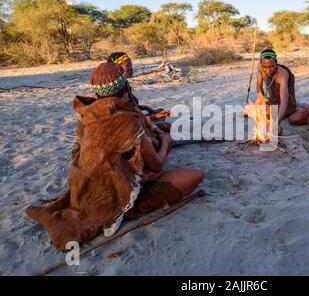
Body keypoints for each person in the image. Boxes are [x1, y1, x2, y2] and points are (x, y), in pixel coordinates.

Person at [26, 62, 204, 251]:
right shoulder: (126, 121)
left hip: (82, 188)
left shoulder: (87, 113)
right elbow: (157, 164)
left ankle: (109, 204)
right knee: (195, 175)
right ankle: (123, 209)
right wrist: (165, 141)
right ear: (125, 89)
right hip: (114, 193)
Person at [256, 49, 297, 124]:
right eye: (265, 67)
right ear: (261, 64)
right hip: (273, 101)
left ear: (276, 63)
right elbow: (259, 87)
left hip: (286, 106)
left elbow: (285, 100)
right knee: (251, 109)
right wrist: (262, 100)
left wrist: (277, 122)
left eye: (271, 66)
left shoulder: (282, 75)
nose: (268, 70)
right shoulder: (260, 66)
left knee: (270, 116)